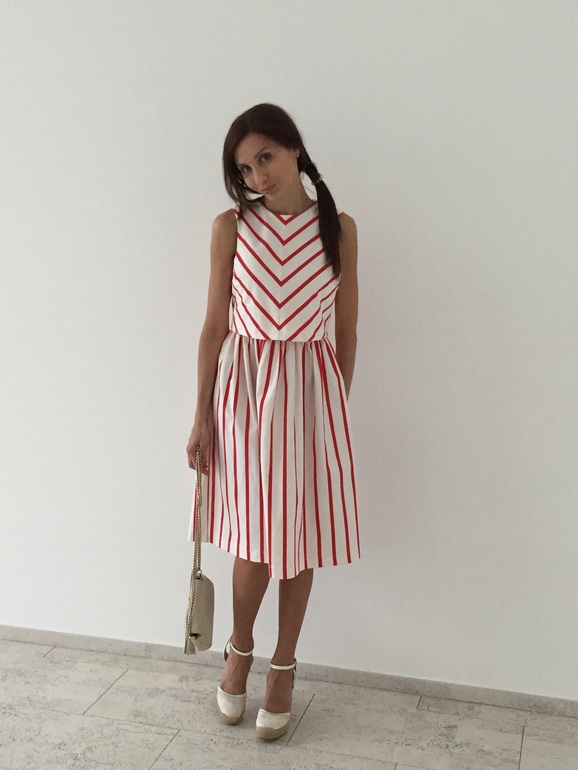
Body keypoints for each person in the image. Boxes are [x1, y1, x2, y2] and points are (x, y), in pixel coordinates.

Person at [186, 103, 360, 741]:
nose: (258, 176)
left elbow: (346, 330)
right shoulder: (230, 227)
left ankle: (282, 668)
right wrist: (201, 414)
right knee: (253, 538)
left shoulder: (338, 227)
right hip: (245, 397)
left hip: (312, 399)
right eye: (244, 168)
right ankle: (239, 651)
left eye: (265, 157)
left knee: (299, 538)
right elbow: (214, 326)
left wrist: (335, 408)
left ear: (293, 149)